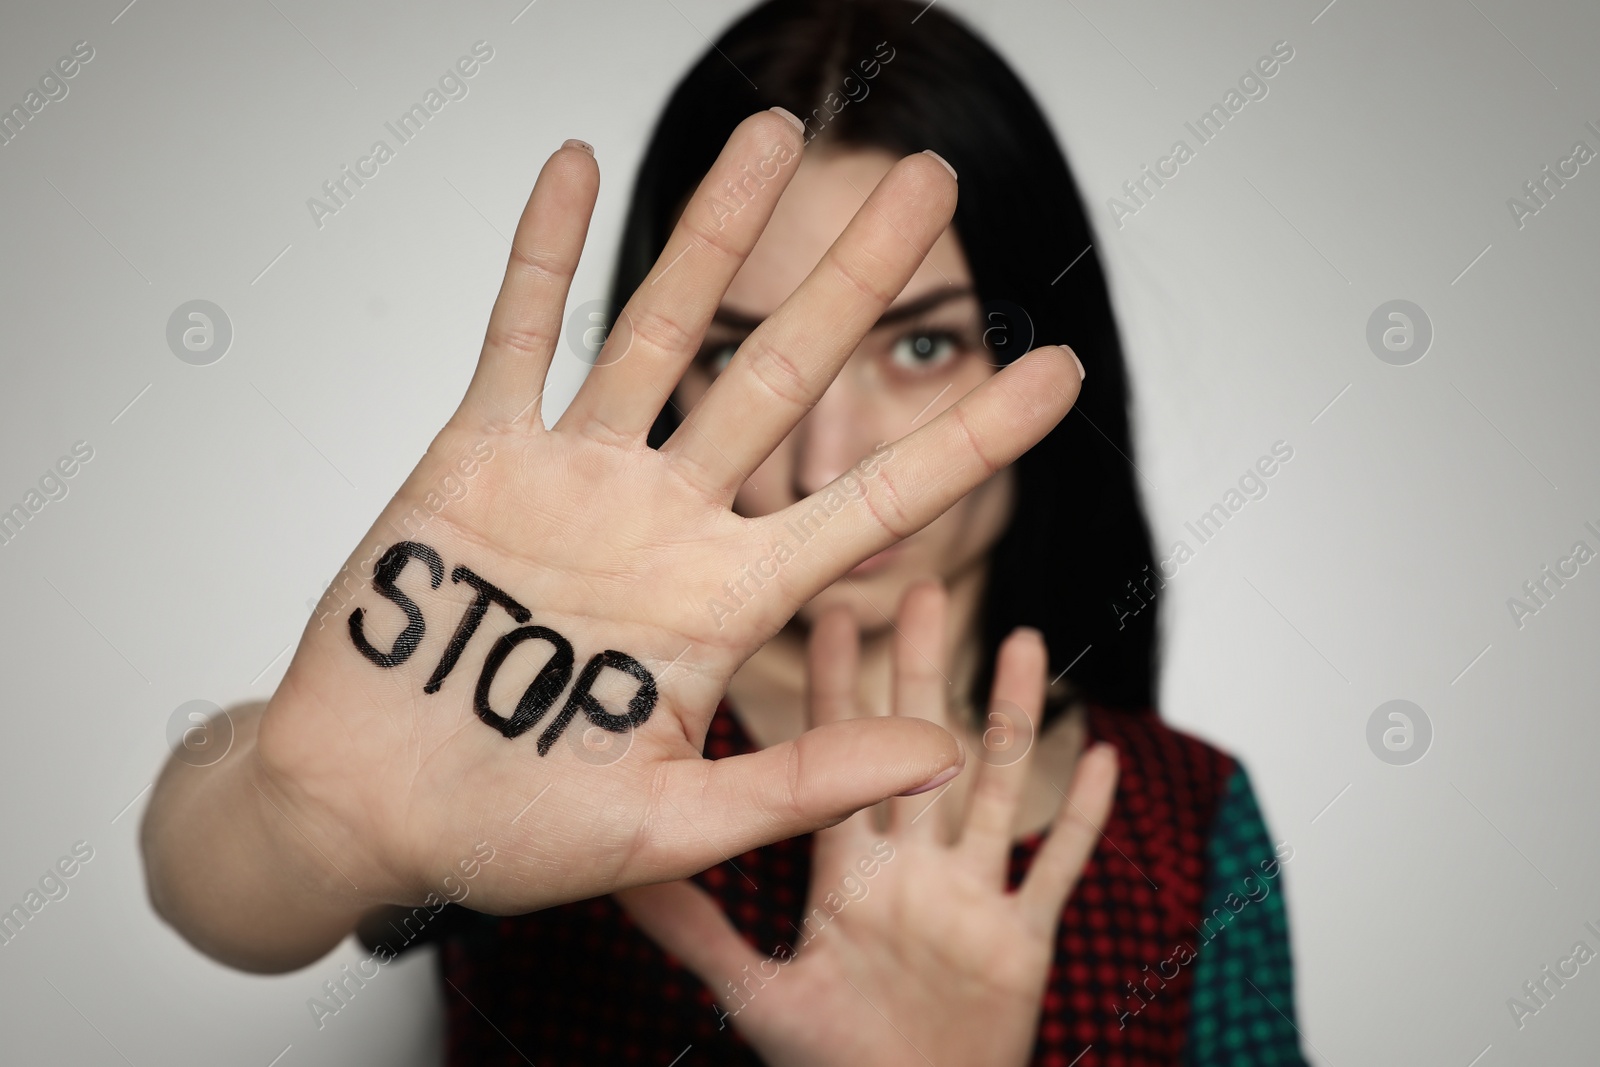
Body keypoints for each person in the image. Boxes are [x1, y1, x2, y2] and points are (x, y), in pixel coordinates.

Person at [141, 1, 1307, 1064]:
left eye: (920, 346)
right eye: (740, 351)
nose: (825, 455)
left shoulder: (1187, 817)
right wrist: (306, 822)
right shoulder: (569, 713)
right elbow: (223, 882)